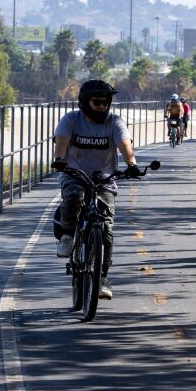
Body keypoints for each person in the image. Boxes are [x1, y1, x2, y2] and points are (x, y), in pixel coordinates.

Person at [51, 80, 138, 300]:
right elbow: (61, 142)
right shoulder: (71, 120)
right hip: (74, 174)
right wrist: (60, 160)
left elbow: (125, 144)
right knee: (74, 196)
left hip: (104, 180)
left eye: (106, 102)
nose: (102, 106)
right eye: (97, 102)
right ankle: (68, 235)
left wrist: (132, 165)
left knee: (106, 228)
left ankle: (102, 278)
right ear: (84, 102)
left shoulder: (114, 122)